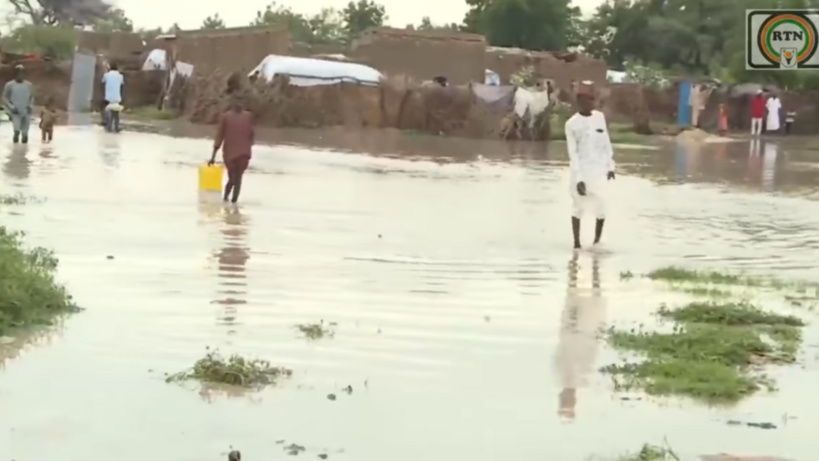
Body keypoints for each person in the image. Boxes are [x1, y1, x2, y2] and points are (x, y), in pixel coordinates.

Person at [565, 80, 615, 250]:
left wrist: (610, 167)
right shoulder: (571, 124)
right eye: (587, 99)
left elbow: (606, 144)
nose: (591, 103)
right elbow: (573, 153)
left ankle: (596, 243)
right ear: (579, 101)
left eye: (593, 99)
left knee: (601, 209)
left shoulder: (599, 117)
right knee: (578, 208)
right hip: (581, 173)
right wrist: (579, 178)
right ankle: (576, 245)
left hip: (599, 172)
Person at [209, 96, 254, 204]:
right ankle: (225, 198)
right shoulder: (226, 117)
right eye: (237, 101)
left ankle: (234, 203)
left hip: (243, 153)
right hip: (230, 154)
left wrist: (249, 144)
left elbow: (251, 133)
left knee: (238, 179)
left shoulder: (248, 116)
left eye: (241, 101)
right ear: (232, 103)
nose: (239, 103)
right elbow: (220, 136)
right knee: (232, 179)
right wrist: (213, 157)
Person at [3, 64, 34, 144]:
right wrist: (11, 107)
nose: (20, 75)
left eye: (22, 73)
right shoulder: (9, 85)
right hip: (15, 112)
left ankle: (23, 152)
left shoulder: (29, 85)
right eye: (18, 73)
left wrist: (30, 106)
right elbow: (4, 98)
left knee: (25, 134)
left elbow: (32, 97)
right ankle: (15, 150)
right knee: (16, 131)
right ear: (15, 74)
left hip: (26, 111)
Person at [101, 62, 124, 132]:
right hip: (117, 97)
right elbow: (122, 84)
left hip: (108, 97)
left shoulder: (106, 75)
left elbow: (102, 82)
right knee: (116, 114)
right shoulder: (120, 76)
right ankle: (116, 127)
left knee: (108, 112)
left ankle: (108, 126)